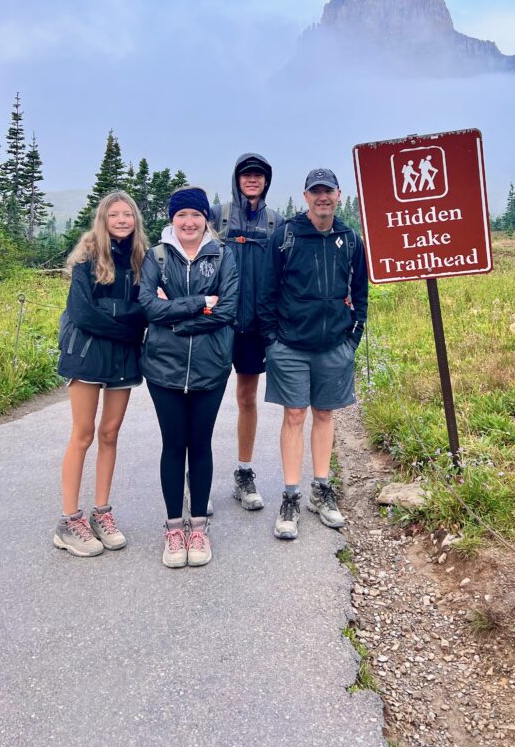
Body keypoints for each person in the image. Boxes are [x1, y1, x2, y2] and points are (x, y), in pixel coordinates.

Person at [258, 168, 368, 541]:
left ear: (339, 195)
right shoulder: (286, 236)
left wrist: (354, 337)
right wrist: (271, 339)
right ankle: (291, 495)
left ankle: (321, 489)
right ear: (306, 196)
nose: (322, 198)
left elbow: (360, 292)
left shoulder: (350, 239)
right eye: (315, 191)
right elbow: (266, 291)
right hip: (289, 345)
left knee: (324, 413)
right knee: (294, 415)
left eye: (328, 191)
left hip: (334, 345)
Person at [139, 187, 238, 568]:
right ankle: (172, 527)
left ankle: (197, 526)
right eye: (181, 215)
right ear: (172, 219)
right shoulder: (157, 257)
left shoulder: (222, 255)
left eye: (196, 215)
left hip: (210, 367)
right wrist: (199, 304)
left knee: (200, 445)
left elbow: (228, 309)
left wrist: (175, 317)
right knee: (172, 444)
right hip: (163, 369)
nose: (189, 222)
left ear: (206, 219)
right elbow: (148, 306)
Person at [54, 191, 148, 557]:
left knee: (110, 433)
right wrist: (125, 322)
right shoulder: (87, 258)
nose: (122, 220)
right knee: (83, 433)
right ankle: (68, 521)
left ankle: (101, 513)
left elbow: (144, 311)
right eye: (115, 215)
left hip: (123, 359)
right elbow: (82, 313)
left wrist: (119, 315)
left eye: (128, 215)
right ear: (103, 220)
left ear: (135, 220)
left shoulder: (141, 259)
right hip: (87, 356)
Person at [210, 153, 284, 511]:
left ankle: (243, 472)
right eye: (246, 174)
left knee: (246, 399)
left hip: (254, 327)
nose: (252, 179)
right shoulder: (217, 216)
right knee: (203, 400)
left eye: (258, 175)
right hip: (219, 324)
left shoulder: (275, 222)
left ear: (266, 181)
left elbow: (289, 273)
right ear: (237, 179)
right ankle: (197, 477)